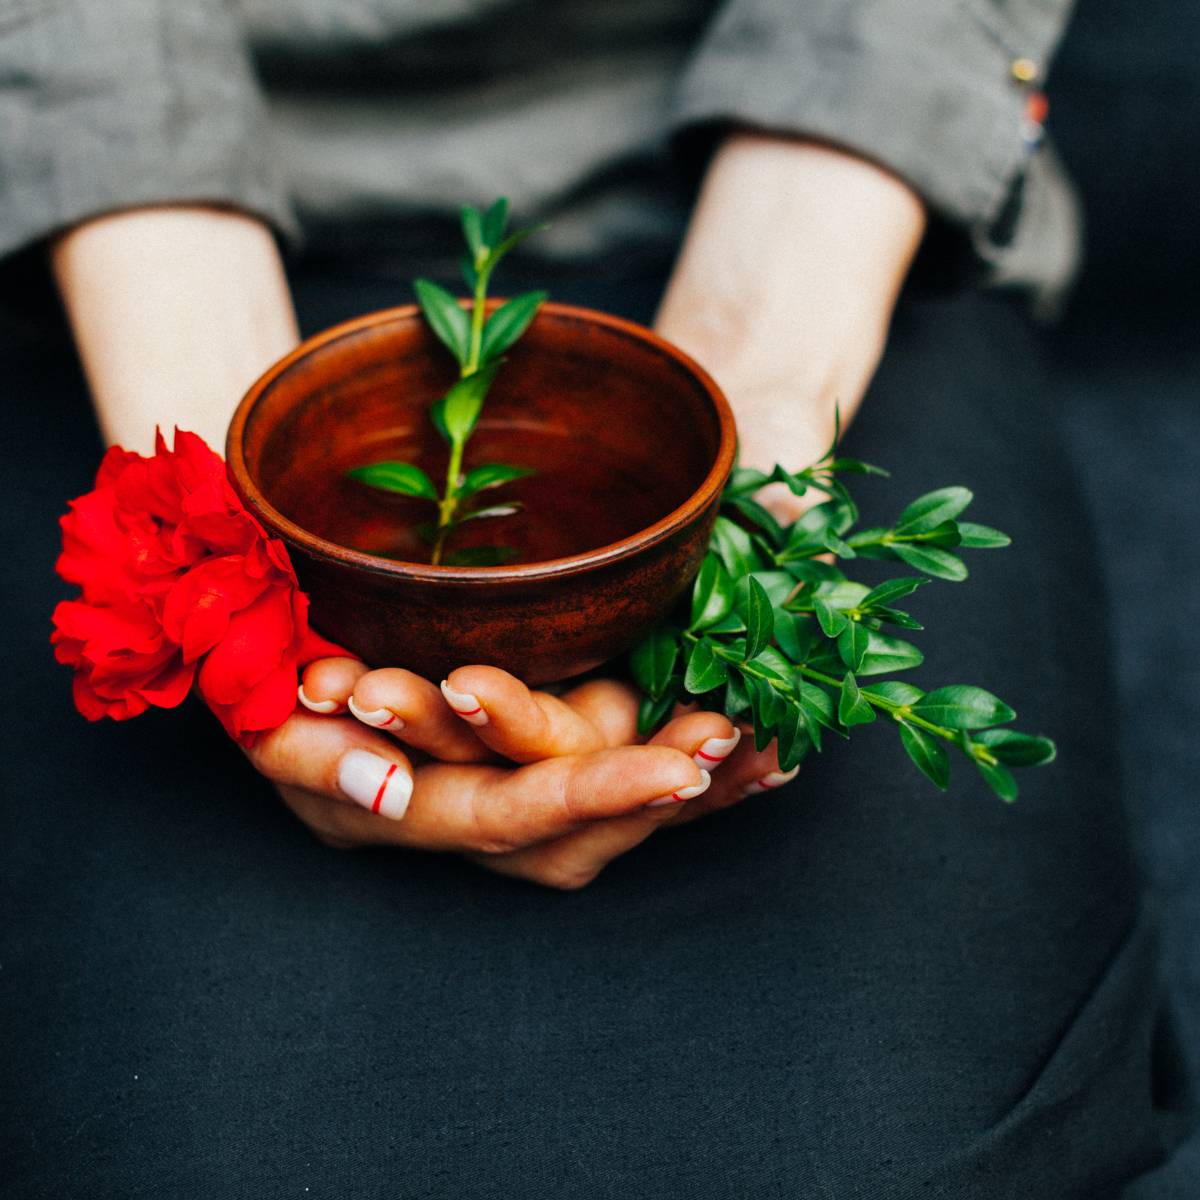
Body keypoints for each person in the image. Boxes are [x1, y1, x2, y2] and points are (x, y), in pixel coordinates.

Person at [1, 1, 1188, 1195]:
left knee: (892, 1145)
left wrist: (764, 374)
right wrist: (209, 493)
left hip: (823, 204)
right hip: (132, 235)